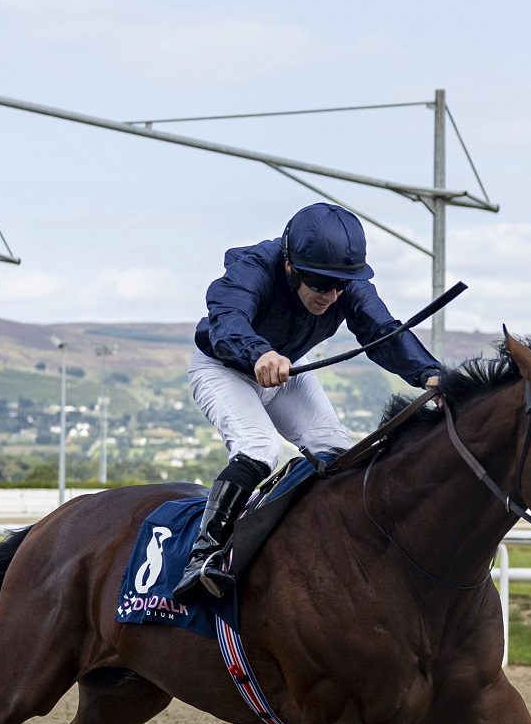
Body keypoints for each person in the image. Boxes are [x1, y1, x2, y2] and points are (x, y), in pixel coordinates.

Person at [174, 202, 443, 601]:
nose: (331, 297)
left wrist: (429, 373)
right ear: (289, 267)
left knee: (337, 451)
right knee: (260, 448)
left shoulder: (344, 284)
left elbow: (382, 331)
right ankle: (204, 556)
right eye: (320, 286)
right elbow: (228, 320)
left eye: (339, 287)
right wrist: (258, 353)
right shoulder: (252, 268)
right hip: (224, 367)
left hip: (287, 370)